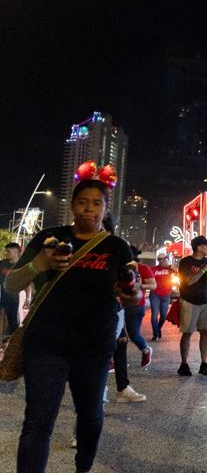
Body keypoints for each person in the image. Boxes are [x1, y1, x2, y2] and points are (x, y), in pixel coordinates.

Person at [4, 177, 140, 473]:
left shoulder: (116, 247)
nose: (88, 209)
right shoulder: (50, 239)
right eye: (82, 202)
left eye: (96, 203)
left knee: (90, 414)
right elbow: (11, 283)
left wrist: (130, 292)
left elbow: (133, 293)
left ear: (105, 209)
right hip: (45, 344)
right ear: (72, 205)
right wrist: (39, 263)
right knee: (38, 421)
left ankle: (83, 467)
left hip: (92, 347)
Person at [177, 235, 207, 377]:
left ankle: (204, 363)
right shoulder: (186, 262)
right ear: (199, 247)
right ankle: (184, 364)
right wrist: (202, 271)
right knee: (187, 332)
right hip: (189, 301)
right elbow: (187, 281)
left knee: (205, 332)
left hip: (205, 300)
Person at [125, 248, 156, 367]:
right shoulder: (119, 266)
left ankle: (146, 350)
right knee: (116, 335)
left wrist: (140, 285)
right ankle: (116, 360)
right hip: (118, 305)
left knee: (134, 334)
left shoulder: (143, 268)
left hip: (136, 306)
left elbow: (153, 285)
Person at [149, 253, 174, 340]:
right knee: (154, 315)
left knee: (163, 316)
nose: (163, 261)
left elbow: (180, 272)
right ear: (158, 260)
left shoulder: (170, 268)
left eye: (164, 259)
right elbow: (147, 277)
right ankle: (155, 334)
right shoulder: (153, 269)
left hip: (166, 295)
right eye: (160, 259)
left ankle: (158, 329)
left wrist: (170, 267)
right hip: (154, 294)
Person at [0, 241, 22, 334]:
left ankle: (13, 342)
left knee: (12, 321)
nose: (6, 253)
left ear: (16, 252)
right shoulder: (2, 263)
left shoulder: (21, 265)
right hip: (1, 296)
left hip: (14, 299)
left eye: (8, 251)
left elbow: (29, 283)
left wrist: (28, 299)